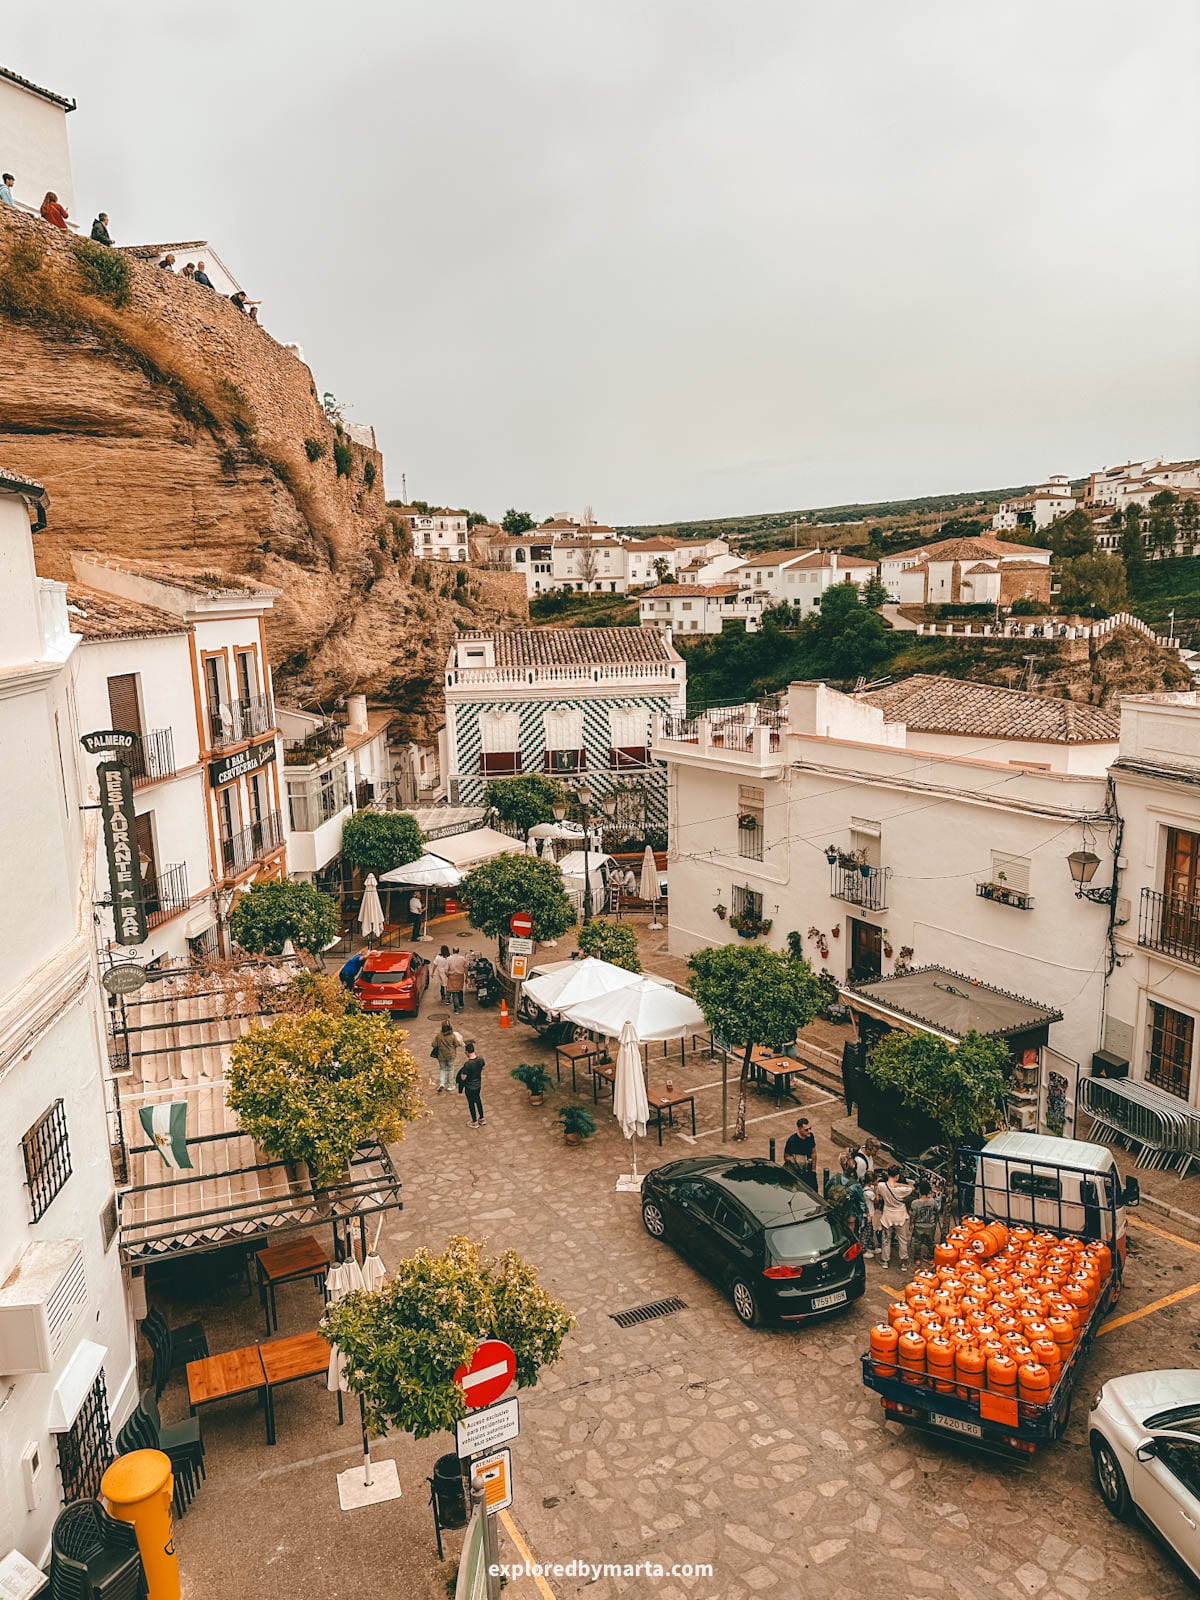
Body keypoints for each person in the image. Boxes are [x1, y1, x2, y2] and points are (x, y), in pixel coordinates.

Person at [876, 1166, 914, 1271]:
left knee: (886, 1239)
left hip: (887, 1214)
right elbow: (912, 1188)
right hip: (900, 1215)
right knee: (902, 1239)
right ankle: (904, 1262)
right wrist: (898, 1184)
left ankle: (885, 1260)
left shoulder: (881, 1186)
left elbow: (878, 1191)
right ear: (897, 1176)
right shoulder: (903, 1189)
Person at [430, 1020, 465, 1095]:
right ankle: (450, 1085)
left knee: (442, 1069)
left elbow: (433, 1044)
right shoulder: (452, 1036)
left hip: (441, 1056)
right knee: (450, 1069)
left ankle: (442, 1083)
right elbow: (456, 1044)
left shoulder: (439, 1036)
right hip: (450, 1056)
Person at [783, 1117, 817, 1191]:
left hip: (808, 1169)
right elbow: (786, 1157)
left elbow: (813, 1152)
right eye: (806, 1130)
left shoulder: (810, 1137)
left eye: (809, 1129)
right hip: (796, 1171)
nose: (808, 1131)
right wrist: (798, 1160)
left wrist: (813, 1170)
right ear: (799, 1129)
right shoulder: (792, 1141)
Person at [456, 1040, 485, 1126]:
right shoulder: (480, 1059)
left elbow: (463, 1077)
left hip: (470, 1087)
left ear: (467, 1052)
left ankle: (474, 1121)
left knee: (471, 1103)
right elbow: (482, 1067)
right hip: (478, 1085)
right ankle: (482, 1118)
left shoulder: (467, 1064)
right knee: (478, 1100)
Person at [910, 1180, 940, 1263]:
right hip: (930, 1225)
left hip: (919, 1225)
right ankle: (931, 1257)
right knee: (930, 1241)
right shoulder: (932, 1201)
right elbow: (937, 1210)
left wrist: (911, 1224)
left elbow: (913, 1215)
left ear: (919, 1190)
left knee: (917, 1242)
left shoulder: (915, 1203)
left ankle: (917, 1258)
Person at [445, 946, 467, 1013]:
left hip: (452, 976)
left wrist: (448, 976)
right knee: (460, 989)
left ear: (453, 951)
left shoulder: (449, 959)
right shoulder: (462, 958)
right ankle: (461, 1003)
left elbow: (446, 970)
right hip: (460, 976)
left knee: (454, 993)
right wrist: (467, 976)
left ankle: (456, 1009)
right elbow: (466, 968)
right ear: (458, 951)